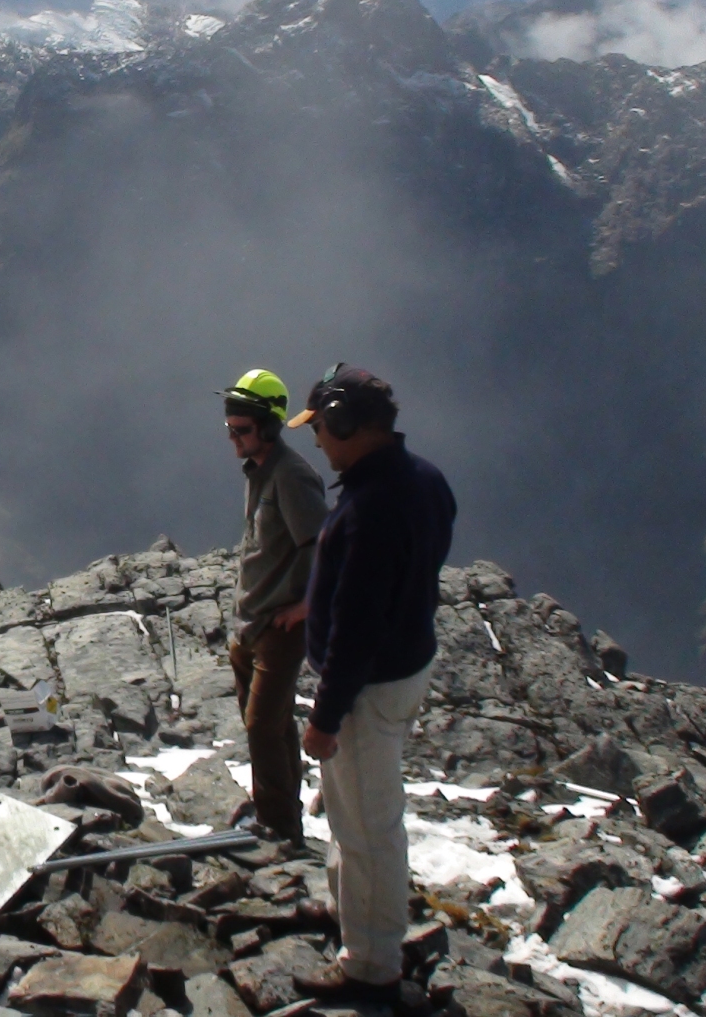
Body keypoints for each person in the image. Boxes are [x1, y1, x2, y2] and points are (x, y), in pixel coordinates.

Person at [284, 364, 454, 1002]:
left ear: (347, 423)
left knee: (367, 828)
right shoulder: (424, 480)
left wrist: (325, 718)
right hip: (405, 668)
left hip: (367, 691)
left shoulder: (371, 509)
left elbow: (356, 629)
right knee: (353, 811)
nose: (317, 439)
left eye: (322, 427)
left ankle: (371, 965)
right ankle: (349, 914)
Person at [219, 369, 327, 844]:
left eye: (241, 429)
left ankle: (279, 826)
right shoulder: (260, 470)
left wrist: (306, 607)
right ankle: (282, 814)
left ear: (267, 426)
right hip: (251, 622)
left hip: (279, 627)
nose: (233, 438)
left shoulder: (291, 474)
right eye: (229, 428)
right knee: (272, 724)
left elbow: (324, 546)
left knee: (262, 727)